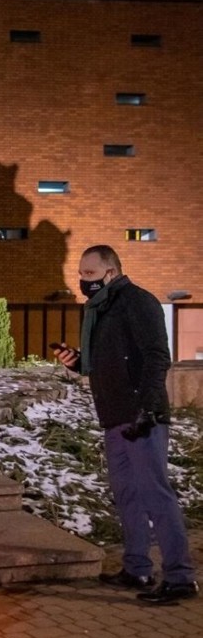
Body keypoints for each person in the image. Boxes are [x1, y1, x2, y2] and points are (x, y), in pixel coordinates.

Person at [53, 245, 197, 605]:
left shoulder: (137, 302)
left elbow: (156, 356)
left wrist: (147, 409)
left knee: (155, 495)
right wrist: (78, 362)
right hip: (115, 416)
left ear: (111, 272)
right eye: (81, 274)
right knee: (127, 494)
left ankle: (180, 577)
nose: (83, 281)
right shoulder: (102, 309)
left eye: (90, 274)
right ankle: (137, 567)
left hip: (141, 416)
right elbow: (114, 361)